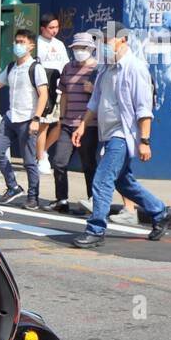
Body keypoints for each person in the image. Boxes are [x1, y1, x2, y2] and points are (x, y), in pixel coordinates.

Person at [71, 26, 171, 247]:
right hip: (107, 132)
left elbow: (144, 108)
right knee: (123, 182)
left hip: (123, 133)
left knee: (102, 179)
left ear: (123, 40)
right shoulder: (105, 68)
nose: (103, 45)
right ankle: (160, 212)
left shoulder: (135, 68)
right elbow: (95, 101)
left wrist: (145, 141)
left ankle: (96, 229)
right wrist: (82, 125)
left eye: (107, 40)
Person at [0, 28, 46, 209]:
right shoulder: (12, 67)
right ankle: (13, 186)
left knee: (29, 161)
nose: (18, 45)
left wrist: (36, 118)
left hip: (28, 119)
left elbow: (43, 94)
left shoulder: (36, 68)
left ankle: (33, 197)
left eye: (22, 42)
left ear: (31, 46)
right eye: (16, 41)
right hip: (11, 118)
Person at [49, 32, 99, 214]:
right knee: (59, 162)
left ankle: (93, 202)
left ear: (91, 49)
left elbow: (105, 96)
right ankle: (61, 200)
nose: (79, 51)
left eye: (83, 48)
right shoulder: (68, 68)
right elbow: (64, 95)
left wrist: (93, 89)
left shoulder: (97, 69)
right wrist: (61, 120)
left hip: (89, 125)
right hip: (68, 123)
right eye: (76, 48)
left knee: (88, 165)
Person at [35, 14, 68, 174]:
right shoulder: (36, 43)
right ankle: (40, 159)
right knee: (44, 123)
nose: (54, 30)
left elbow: (66, 65)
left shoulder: (60, 44)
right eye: (51, 28)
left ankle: (43, 151)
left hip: (59, 89)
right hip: (44, 90)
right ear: (43, 28)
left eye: (56, 27)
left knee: (60, 124)